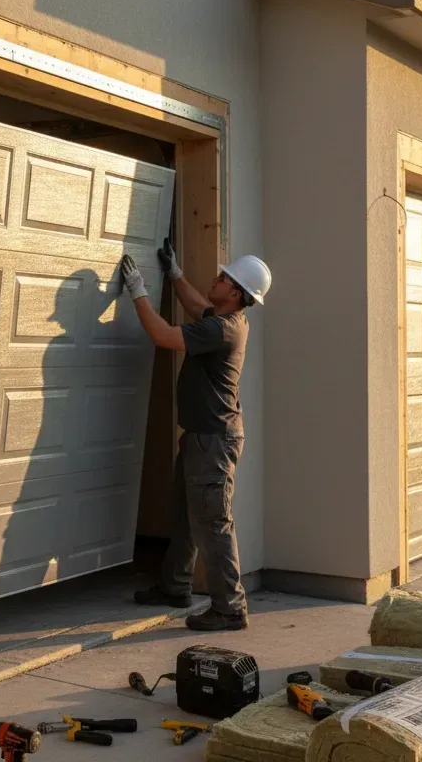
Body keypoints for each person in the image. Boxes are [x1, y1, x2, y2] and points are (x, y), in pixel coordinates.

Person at [119, 240, 271, 632]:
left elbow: (165, 336)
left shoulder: (221, 329)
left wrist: (138, 292)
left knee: (213, 524)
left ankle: (230, 608)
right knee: (186, 516)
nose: (216, 279)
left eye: (223, 278)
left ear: (235, 293)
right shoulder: (224, 320)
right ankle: (175, 587)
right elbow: (193, 306)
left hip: (213, 441)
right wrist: (175, 274)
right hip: (203, 437)